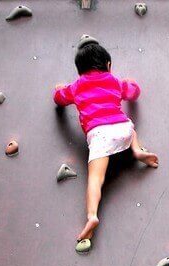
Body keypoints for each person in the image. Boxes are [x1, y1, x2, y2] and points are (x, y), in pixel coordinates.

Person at [54, 39, 159, 254]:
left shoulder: (76, 86)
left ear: (79, 70)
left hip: (100, 134)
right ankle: (137, 149)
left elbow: (60, 99)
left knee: (95, 178)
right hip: (123, 129)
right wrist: (131, 83)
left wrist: (58, 90)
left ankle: (92, 216)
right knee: (128, 124)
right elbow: (133, 93)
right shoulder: (113, 81)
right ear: (109, 65)